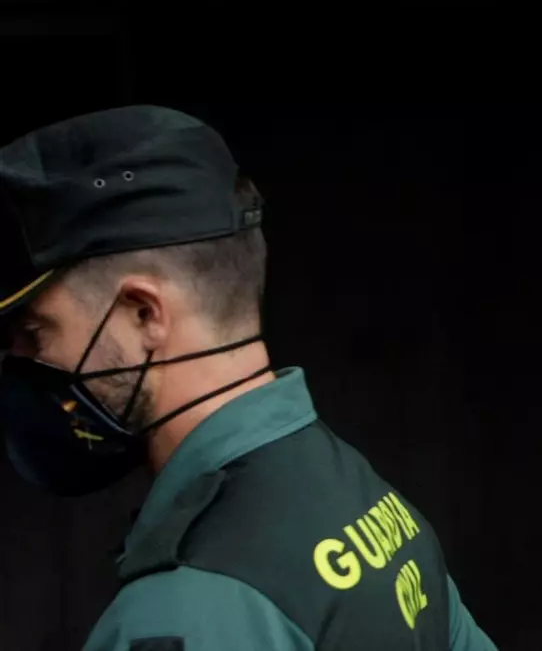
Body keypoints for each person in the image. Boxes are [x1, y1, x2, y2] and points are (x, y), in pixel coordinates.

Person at [0, 105, 498, 650]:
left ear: (144, 313)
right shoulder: (375, 508)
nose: (20, 357)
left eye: (35, 332)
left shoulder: (183, 610)